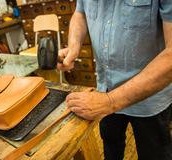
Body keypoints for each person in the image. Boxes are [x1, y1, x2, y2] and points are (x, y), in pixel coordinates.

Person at [57, 1, 172, 160]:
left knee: (154, 153)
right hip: (105, 88)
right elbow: (80, 13)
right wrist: (74, 47)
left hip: (149, 99)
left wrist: (110, 101)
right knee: (111, 146)